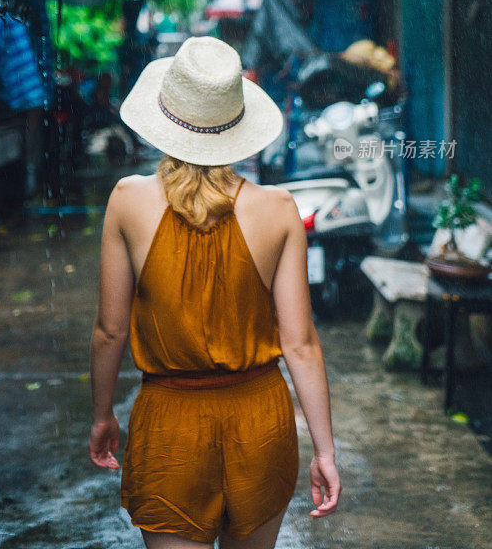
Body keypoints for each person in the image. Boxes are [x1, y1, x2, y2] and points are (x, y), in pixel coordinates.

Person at [88, 36, 341, 548]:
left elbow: (110, 329)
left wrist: (102, 413)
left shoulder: (127, 201)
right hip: (260, 424)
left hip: (170, 425)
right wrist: (325, 451)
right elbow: (301, 344)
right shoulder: (278, 208)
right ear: (236, 125)